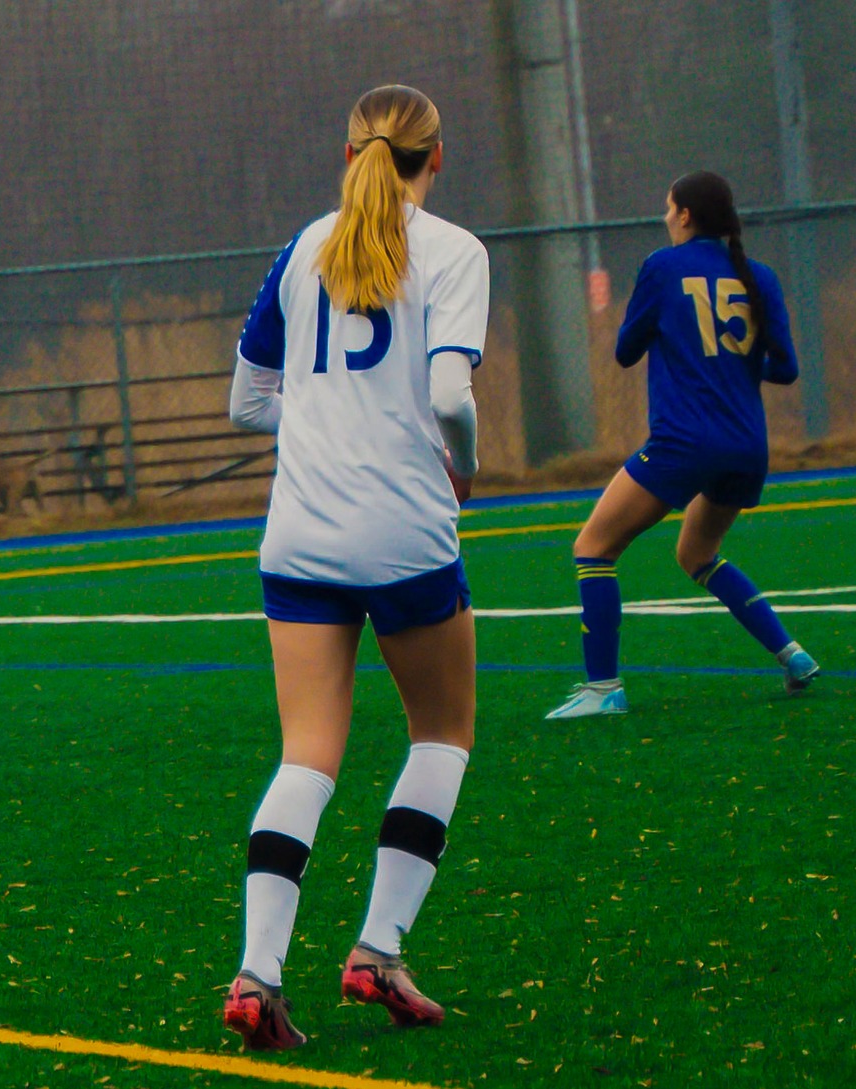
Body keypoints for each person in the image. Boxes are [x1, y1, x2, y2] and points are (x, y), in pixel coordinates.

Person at [222, 85, 486, 1050]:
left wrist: (325, 419)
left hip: (300, 532)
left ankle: (258, 972)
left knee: (306, 754)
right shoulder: (456, 251)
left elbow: (247, 401)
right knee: (442, 733)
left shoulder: (304, 246)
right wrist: (465, 456)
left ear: (348, 154)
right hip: (404, 530)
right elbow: (451, 393)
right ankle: (377, 947)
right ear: (436, 158)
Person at [545, 172, 817, 719]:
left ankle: (603, 690)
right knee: (697, 554)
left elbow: (625, 351)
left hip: (685, 441)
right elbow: (785, 368)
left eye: (669, 209)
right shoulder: (759, 276)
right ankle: (793, 655)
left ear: (685, 215)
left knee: (593, 548)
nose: (665, 218)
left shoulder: (662, 267)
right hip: (747, 446)